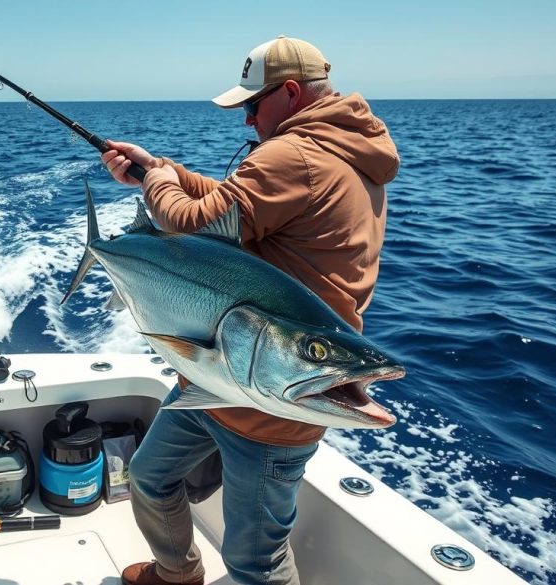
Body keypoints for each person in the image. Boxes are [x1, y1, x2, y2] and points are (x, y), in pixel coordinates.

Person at [100, 36, 400, 585]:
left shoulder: (296, 154)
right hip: (221, 375)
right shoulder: (341, 152)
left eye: (252, 106)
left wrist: (156, 184)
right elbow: (234, 211)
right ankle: (177, 573)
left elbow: (189, 225)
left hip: (272, 395)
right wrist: (157, 169)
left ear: (289, 92)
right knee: (148, 475)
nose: (247, 122)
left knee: (254, 562)